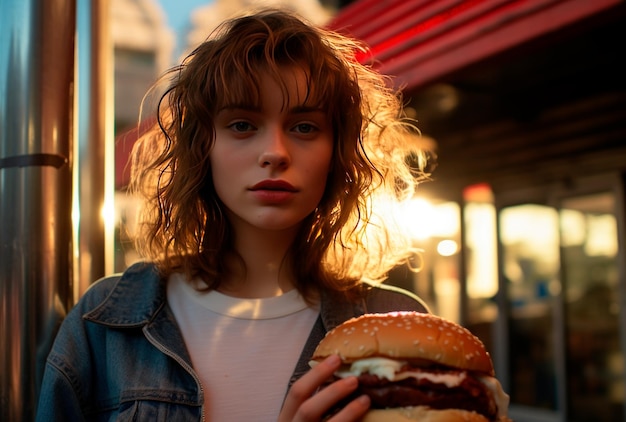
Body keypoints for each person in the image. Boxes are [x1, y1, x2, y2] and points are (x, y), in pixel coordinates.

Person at [36, 8, 431, 422]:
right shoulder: (106, 324)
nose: (275, 153)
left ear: (337, 153)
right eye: (242, 125)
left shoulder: (397, 325)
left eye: (305, 127)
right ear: (202, 148)